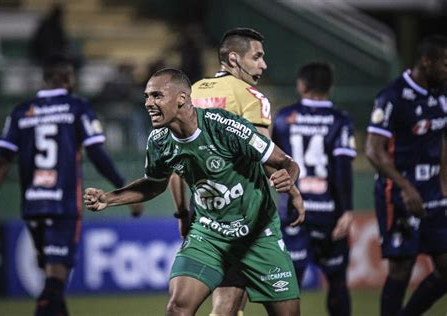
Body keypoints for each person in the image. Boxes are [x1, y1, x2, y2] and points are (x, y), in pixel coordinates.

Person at [84, 68, 305, 316]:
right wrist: (109, 198)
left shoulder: (226, 127)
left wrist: (289, 178)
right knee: (178, 308)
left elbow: (287, 162)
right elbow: (154, 183)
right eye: (147, 96)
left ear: (181, 98)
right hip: (208, 235)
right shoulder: (159, 141)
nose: (148, 103)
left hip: (257, 234)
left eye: (157, 96)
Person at [0, 54, 136, 316]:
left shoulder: (20, 112)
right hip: (63, 205)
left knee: (52, 277)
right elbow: (96, 153)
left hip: (32, 206)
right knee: (55, 281)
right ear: (68, 79)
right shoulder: (76, 108)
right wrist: (123, 188)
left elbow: (0, 164)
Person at [168, 27, 304, 315]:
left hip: (203, 212)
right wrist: (292, 187)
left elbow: (177, 165)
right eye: (257, 57)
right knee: (230, 305)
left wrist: (182, 213)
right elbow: (266, 157)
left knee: (225, 303)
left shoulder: (190, 94)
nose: (263, 65)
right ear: (233, 59)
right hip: (245, 215)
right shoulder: (251, 97)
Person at [365, 34, 447, 316]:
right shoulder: (392, 96)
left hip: (435, 194)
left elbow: (441, 141)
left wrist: (444, 186)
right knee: (402, 268)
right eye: (445, 64)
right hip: (398, 194)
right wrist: (406, 187)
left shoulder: (441, 96)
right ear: (427, 61)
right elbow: (374, 151)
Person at [272, 62, 357, 316]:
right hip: (329, 213)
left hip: (292, 211)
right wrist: (347, 211)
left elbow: (271, 161)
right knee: (337, 281)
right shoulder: (340, 120)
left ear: (301, 85)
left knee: (289, 283)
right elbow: (342, 169)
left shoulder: (284, 117)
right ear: (330, 87)